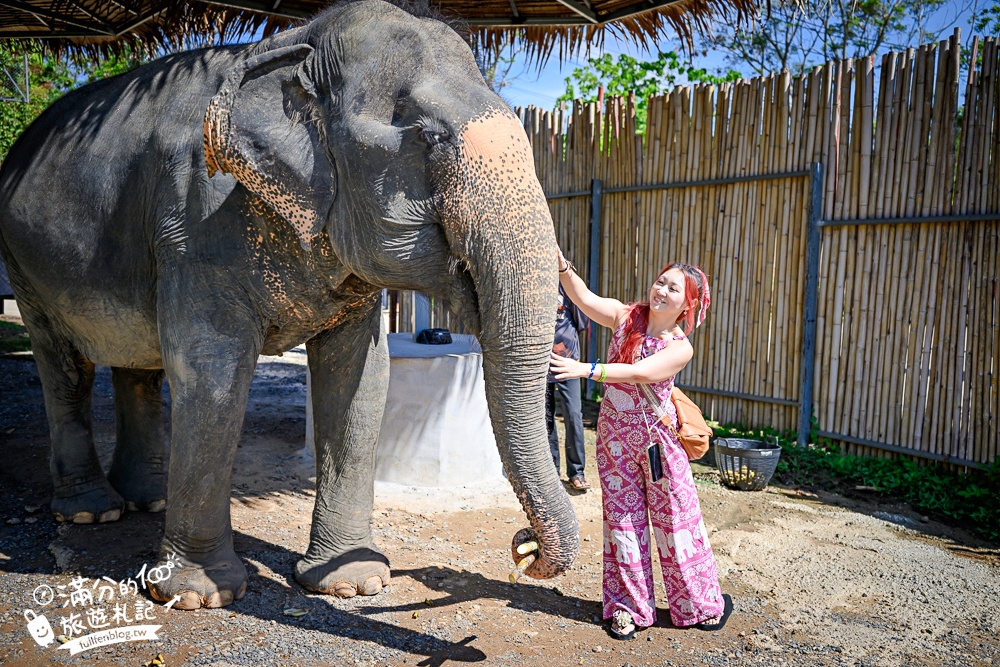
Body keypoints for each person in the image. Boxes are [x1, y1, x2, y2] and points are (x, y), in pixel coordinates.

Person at [549, 251, 733, 640]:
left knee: (676, 523)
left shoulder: (680, 347)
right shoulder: (625, 317)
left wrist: (586, 369)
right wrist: (563, 267)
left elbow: (639, 373)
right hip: (613, 441)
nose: (661, 290)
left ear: (688, 303)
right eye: (660, 281)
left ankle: (699, 605)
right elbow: (584, 297)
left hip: (658, 444)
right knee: (622, 523)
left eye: (673, 288)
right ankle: (628, 609)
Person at [547, 282, 591, 491]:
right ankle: (551, 472)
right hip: (539, 361)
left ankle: (577, 472)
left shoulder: (567, 286)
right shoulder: (531, 283)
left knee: (573, 415)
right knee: (545, 418)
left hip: (568, 361)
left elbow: (582, 321)